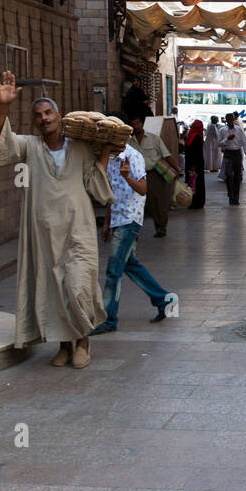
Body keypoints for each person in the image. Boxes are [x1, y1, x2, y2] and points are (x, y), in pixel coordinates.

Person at [0, 72, 113, 369]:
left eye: (48, 113)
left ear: (59, 116)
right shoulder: (29, 147)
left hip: (78, 233)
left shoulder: (79, 147)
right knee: (53, 289)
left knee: (77, 286)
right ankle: (64, 345)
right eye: (38, 115)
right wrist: (3, 105)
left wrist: (104, 153)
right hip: (43, 236)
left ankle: (83, 341)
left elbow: (97, 185)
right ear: (34, 122)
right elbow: (0, 143)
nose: (44, 119)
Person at [91, 118, 173, 335]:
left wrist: (127, 177)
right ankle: (163, 299)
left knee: (113, 271)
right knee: (129, 265)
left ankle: (109, 319)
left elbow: (143, 189)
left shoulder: (132, 156)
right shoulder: (110, 158)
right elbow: (109, 192)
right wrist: (107, 222)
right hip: (118, 218)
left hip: (129, 220)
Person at [130, 113, 180, 238]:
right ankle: (133, 230)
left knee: (158, 202)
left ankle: (161, 227)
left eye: (137, 123)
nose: (135, 126)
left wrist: (176, 169)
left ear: (142, 124)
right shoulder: (128, 141)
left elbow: (166, 155)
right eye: (133, 124)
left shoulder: (154, 139)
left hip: (153, 174)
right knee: (137, 203)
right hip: (136, 175)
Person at [220, 111, 246, 204]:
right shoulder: (222, 130)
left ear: (233, 120)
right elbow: (218, 143)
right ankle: (230, 194)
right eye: (228, 120)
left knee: (237, 177)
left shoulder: (238, 130)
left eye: (232, 119)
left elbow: (244, 142)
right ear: (226, 120)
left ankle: (236, 197)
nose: (230, 121)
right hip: (228, 154)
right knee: (228, 175)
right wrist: (227, 139)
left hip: (237, 154)